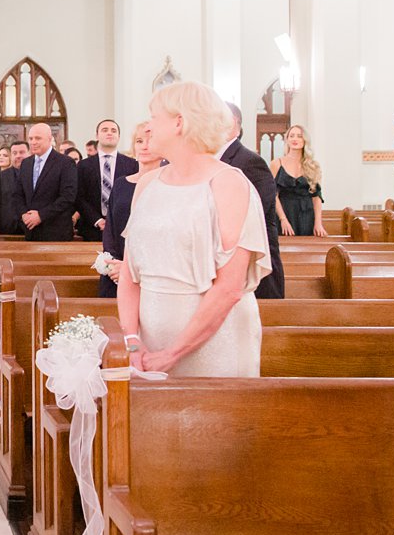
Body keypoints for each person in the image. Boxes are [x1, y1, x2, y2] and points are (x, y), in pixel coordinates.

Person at [118, 82, 270, 376]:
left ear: (179, 122)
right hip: (149, 346)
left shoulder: (228, 184)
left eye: (154, 117)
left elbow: (229, 288)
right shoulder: (148, 184)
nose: (147, 127)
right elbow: (129, 272)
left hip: (214, 348)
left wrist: (173, 354)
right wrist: (132, 340)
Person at [221, 103, 285, 300]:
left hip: (255, 269)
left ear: (234, 125)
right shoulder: (211, 160)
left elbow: (255, 213)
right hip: (226, 266)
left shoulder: (250, 161)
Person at [99, 122, 159, 297]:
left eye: (150, 141)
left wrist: (129, 268)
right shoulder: (121, 184)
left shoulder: (166, 184)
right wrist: (114, 264)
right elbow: (110, 229)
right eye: (139, 141)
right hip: (115, 270)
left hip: (147, 272)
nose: (144, 146)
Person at [77, 119, 140, 244]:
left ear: (118, 136)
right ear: (97, 136)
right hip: (91, 229)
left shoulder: (132, 165)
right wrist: (97, 220)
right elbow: (79, 197)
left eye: (113, 130)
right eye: (104, 130)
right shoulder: (83, 165)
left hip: (123, 227)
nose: (109, 133)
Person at [17, 123, 79, 241]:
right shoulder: (26, 163)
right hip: (31, 230)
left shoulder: (65, 163)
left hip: (56, 232)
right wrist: (24, 214)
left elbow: (68, 196)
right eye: (30, 138)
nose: (33, 142)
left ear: (50, 139)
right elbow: (18, 194)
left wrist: (41, 216)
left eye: (38, 138)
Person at [271, 125, 327, 237]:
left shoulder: (313, 166)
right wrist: (283, 219)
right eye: (291, 136)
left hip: (306, 214)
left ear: (305, 140)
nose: (295, 139)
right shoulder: (276, 163)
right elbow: (273, 194)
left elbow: (316, 197)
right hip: (284, 212)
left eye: (299, 136)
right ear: (287, 140)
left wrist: (318, 223)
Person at [0, 139, 29, 235]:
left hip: (30, 227)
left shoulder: (37, 175)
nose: (18, 156)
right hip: (7, 228)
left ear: (30, 153)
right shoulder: (1, 176)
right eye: (14, 153)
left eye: (22, 152)